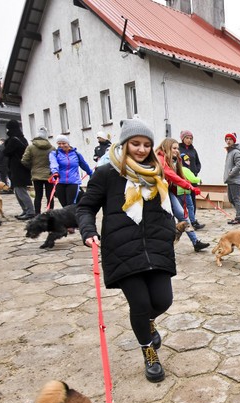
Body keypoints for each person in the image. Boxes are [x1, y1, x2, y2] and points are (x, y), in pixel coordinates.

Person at [77, 119, 176, 382]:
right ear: (124, 144)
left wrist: (170, 231)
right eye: (135, 144)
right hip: (122, 249)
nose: (141, 149)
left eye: (146, 145)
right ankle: (149, 352)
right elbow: (85, 207)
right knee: (140, 303)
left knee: (163, 300)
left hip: (156, 247)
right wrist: (88, 231)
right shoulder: (107, 174)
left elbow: (165, 206)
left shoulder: (156, 174)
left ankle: (146, 322)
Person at [155, 138, 208, 252]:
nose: (177, 150)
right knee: (164, 219)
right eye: (174, 148)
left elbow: (179, 176)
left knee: (182, 215)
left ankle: (195, 242)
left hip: (168, 191)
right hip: (157, 193)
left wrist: (191, 186)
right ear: (166, 148)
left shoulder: (174, 159)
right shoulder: (160, 159)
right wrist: (188, 186)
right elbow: (170, 175)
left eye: (177, 148)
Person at [1, 120, 35, 220]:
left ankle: (30, 211)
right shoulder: (22, 139)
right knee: (17, 191)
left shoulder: (13, 140)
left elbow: (6, 152)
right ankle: (25, 210)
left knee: (21, 191)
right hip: (21, 169)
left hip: (18, 169)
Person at [49, 135, 94, 206]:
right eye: (59, 143)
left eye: (63, 143)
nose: (61, 145)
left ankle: (75, 213)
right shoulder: (54, 154)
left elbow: (84, 165)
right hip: (60, 182)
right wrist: (55, 172)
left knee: (71, 205)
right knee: (64, 206)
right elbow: (53, 163)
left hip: (73, 182)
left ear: (68, 143)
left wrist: (91, 174)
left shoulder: (76, 154)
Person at [21, 127, 54, 214]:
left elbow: (24, 160)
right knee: (50, 196)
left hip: (36, 174)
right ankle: (50, 214)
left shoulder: (31, 147)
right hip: (49, 175)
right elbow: (56, 161)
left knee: (38, 196)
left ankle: (37, 214)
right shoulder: (52, 148)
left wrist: (32, 167)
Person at [178, 130, 204, 230]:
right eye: (187, 138)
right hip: (182, 179)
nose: (189, 140)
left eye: (191, 138)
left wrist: (195, 171)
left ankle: (193, 221)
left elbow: (198, 163)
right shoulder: (178, 149)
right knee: (182, 201)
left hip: (192, 178)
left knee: (192, 201)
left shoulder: (193, 150)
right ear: (182, 138)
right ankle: (182, 222)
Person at [223, 132, 240, 225]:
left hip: (235, 180)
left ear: (234, 141)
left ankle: (239, 217)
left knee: (236, 199)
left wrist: (231, 173)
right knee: (231, 199)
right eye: (227, 139)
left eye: (230, 139)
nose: (228, 141)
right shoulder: (230, 151)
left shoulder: (236, 152)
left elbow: (239, 165)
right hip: (230, 180)